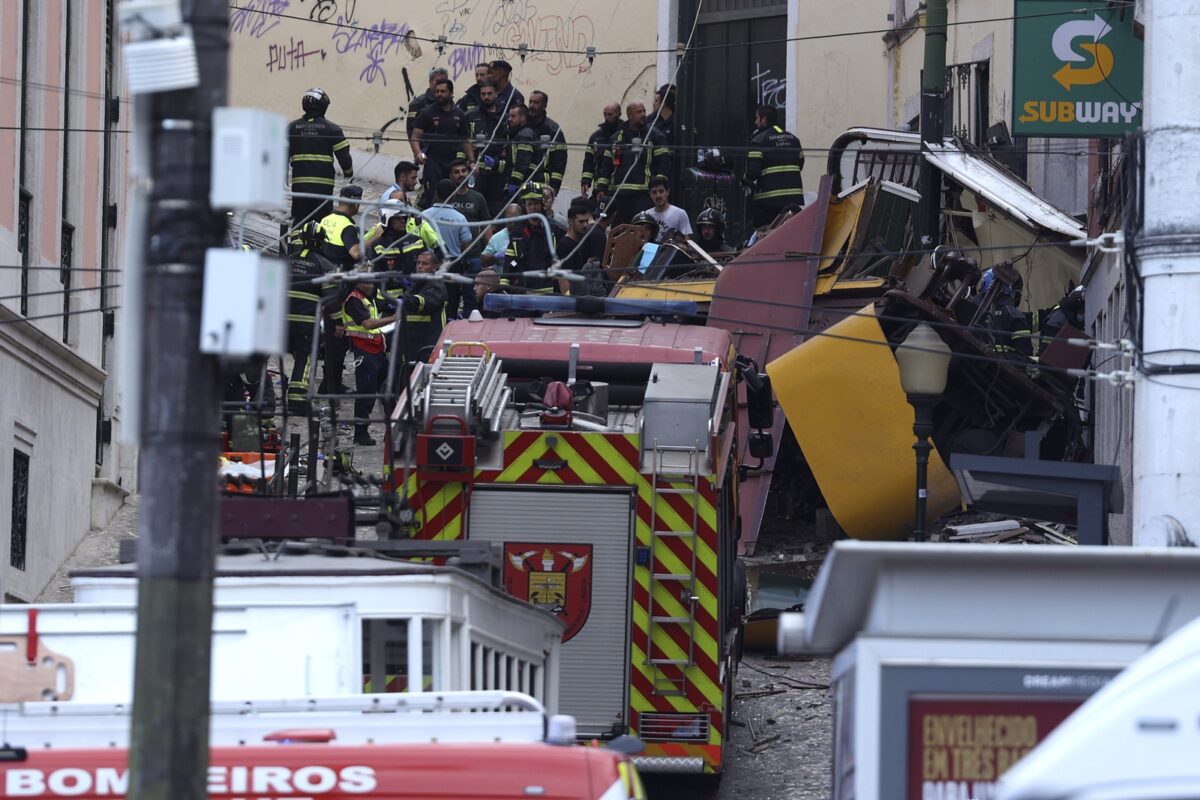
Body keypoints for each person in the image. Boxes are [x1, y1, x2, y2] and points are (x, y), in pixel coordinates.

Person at [316, 185, 364, 394]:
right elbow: (356, 254)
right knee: (339, 336)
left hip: (323, 284)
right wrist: (373, 238)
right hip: (339, 288)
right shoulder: (347, 226)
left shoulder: (327, 219)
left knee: (330, 336)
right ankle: (332, 385)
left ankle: (328, 383)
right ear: (354, 202)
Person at [285, 221, 335, 415]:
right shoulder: (324, 265)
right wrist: (337, 321)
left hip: (280, 322)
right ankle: (297, 402)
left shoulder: (287, 261)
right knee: (304, 359)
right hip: (305, 322)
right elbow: (331, 297)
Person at [595, 101, 670, 225]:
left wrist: (657, 187)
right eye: (639, 112)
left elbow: (663, 164)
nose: (643, 114)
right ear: (629, 116)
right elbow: (606, 167)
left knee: (640, 230)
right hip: (618, 195)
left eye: (644, 111)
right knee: (619, 231)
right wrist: (601, 189)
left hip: (642, 195)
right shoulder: (616, 139)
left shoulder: (655, 137)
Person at [341, 271, 394, 446]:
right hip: (363, 350)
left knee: (388, 391)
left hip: (378, 350)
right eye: (367, 282)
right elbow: (368, 324)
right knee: (367, 393)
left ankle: (393, 430)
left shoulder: (368, 296)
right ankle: (361, 433)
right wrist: (394, 318)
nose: (371, 284)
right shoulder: (354, 300)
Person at [287, 88, 354, 227]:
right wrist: (349, 174)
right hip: (323, 187)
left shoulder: (292, 128)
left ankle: (296, 246)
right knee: (322, 221)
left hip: (300, 186)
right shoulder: (332, 129)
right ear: (323, 106)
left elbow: (281, 156)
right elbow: (344, 157)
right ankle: (319, 248)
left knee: (300, 220)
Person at [745, 104, 805, 229]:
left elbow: (753, 172)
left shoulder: (758, 140)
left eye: (757, 118)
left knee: (766, 235)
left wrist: (744, 180)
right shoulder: (793, 139)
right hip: (793, 199)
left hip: (768, 201)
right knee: (790, 232)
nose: (755, 122)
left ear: (764, 119)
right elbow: (800, 163)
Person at [411, 78, 468, 207]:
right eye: (437, 91)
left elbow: (465, 139)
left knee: (454, 193)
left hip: (453, 161)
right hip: (433, 161)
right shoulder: (427, 113)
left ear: (451, 93)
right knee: (432, 193)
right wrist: (418, 153)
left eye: (443, 91)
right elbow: (415, 136)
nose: (439, 94)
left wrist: (472, 161)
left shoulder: (459, 114)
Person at [426, 178, 474, 317]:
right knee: (451, 300)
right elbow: (466, 245)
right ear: (453, 195)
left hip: (429, 264)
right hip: (453, 264)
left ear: (436, 194)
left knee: (429, 297)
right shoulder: (460, 218)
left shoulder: (424, 215)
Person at [503, 184, 558, 295]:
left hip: (546, 289)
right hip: (523, 289)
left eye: (536, 203)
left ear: (542, 204)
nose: (533, 207)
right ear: (524, 206)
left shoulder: (552, 229)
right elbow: (510, 258)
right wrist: (504, 284)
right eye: (530, 204)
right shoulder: (517, 230)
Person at [465, 81, 509, 215]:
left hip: (497, 175)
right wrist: (470, 162)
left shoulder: (505, 118)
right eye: (483, 94)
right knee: (473, 209)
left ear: (496, 94)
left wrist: (499, 163)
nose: (486, 97)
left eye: (489, 94)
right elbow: (464, 142)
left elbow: (509, 147)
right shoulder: (470, 116)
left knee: (495, 211)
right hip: (476, 174)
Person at [397, 249, 449, 363]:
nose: (420, 266)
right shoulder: (418, 284)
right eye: (418, 263)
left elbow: (424, 302)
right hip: (412, 340)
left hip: (428, 341)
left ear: (434, 267)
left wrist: (405, 300)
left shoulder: (437, 285)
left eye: (425, 264)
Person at [370, 200, 441, 279]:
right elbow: (374, 274)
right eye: (398, 218)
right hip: (387, 290)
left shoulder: (417, 241)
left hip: (415, 289)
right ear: (387, 220)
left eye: (405, 217)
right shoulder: (377, 246)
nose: (403, 221)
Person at [555, 200, 609, 296]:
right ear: (570, 222)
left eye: (586, 221)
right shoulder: (566, 245)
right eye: (581, 222)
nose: (585, 225)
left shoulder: (578, 242)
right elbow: (563, 279)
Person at [526, 90, 567, 194]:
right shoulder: (522, 125)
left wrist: (554, 188)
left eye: (536, 103)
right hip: (522, 181)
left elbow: (559, 162)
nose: (531, 105)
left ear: (544, 106)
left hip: (542, 184)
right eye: (530, 102)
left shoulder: (553, 130)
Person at [581, 103, 621, 199]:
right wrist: (585, 181)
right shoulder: (596, 137)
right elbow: (588, 162)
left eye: (610, 114)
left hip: (618, 188)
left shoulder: (624, 134)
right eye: (605, 114)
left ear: (619, 114)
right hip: (598, 187)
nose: (606, 117)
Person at [503, 103, 537, 202]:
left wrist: (514, 182)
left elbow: (522, 162)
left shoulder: (525, 135)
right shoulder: (517, 134)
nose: (509, 119)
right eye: (509, 116)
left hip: (523, 184)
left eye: (513, 116)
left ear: (523, 118)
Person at [1038, 285, 1086, 354]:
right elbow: (1047, 351)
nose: (1083, 315)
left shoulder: (1068, 316)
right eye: (1082, 311)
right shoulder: (1058, 320)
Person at [646, 174, 692, 244]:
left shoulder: (680, 214)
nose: (658, 195)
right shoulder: (646, 215)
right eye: (654, 192)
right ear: (650, 195)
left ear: (667, 192)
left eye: (661, 191)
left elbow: (687, 242)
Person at [406, 66, 449, 138]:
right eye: (438, 81)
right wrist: (420, 149)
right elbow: (412, 133)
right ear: (430, 82)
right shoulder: (417, 104)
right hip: (426, 147)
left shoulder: (449, 102)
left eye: (444, 81)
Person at [481, 203, 523, 270]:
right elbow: (483, 261)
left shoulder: (527, 233)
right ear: (505, 218)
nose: (512, 224)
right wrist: (495, 257)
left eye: (515, 221)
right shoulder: (496, 238)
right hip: (501, 276)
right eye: (509, 221)